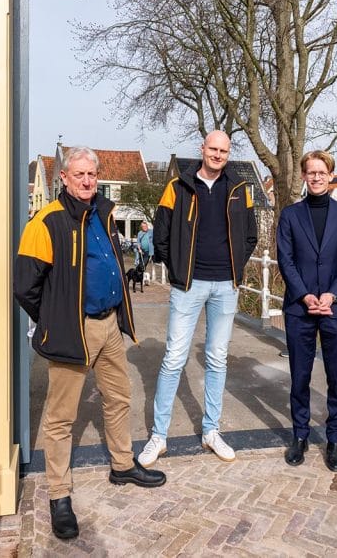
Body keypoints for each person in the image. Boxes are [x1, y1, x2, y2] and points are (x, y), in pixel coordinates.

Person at [14, 146, 166, 541]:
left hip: (110, 325)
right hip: (73, 330)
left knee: (119, 397)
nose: (86, 181)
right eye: (78, 174)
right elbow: (24, 288)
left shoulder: (104, 213)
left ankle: (121, 464)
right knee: (61, 417)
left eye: (91, 175)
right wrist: (56, 321)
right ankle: (59, 496)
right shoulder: (46, 222)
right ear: (63, 177)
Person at [138, 130, 258, 466]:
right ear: (202, 149)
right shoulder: (177, 187)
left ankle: (211, 431)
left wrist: (235, 267)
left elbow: (251, 235)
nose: (218, 155)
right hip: (188, 285)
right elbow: (161, 233)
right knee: (174, 358)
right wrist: (177, 270)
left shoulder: (239, 189)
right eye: (213, 149)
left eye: (224, 150)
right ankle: (158, 436)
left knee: (217, 358)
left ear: (228, 153)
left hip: (226, 286)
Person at [276, 150, 337, 471]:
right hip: (300, 308)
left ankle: (335, 439)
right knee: (300, 375)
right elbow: (286, 260)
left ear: (330, 175)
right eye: (310, 172)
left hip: (336, 309)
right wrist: (306, 296)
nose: (316, 177)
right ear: (304, 176)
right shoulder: (290, 215)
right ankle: (300, 435)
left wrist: (332, 295)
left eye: (321, 172)